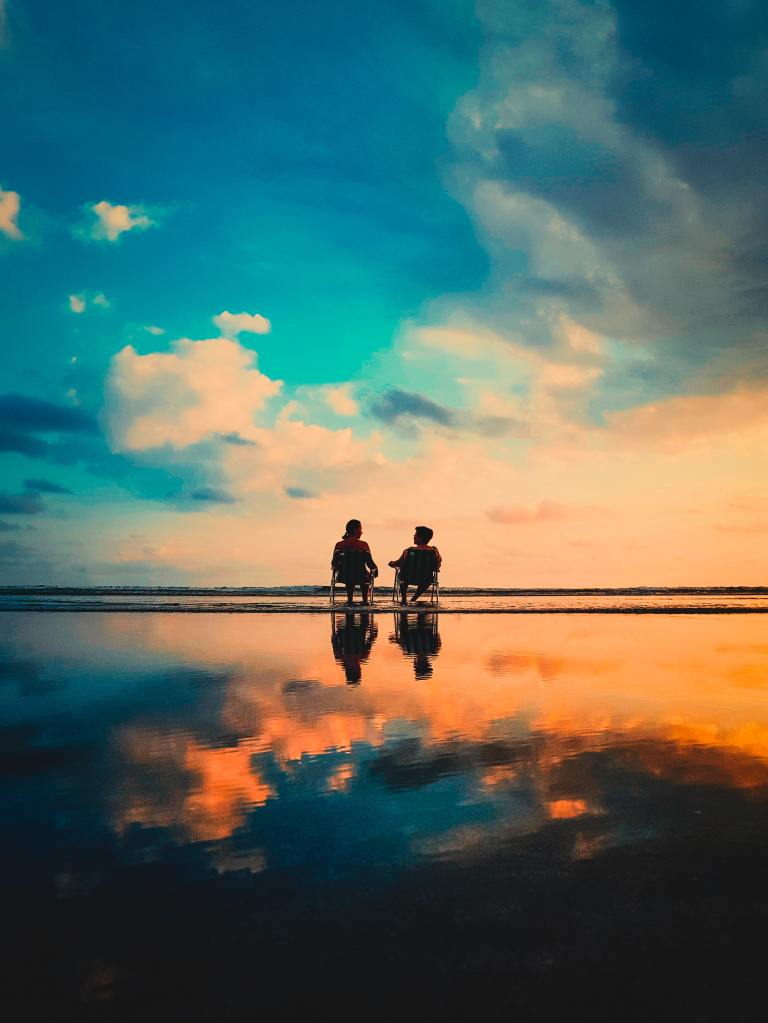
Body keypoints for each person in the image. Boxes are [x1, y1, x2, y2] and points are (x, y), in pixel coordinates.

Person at [388, 525, 442, 605]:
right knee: (428, 579)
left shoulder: (409, 551)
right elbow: (438, 564)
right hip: (426, 579)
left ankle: (404, 599)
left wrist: (392, 563)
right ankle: (414, 599)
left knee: (402, 575)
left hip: (408, 578)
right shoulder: (434, 551)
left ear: (420, 538)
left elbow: (399, 563)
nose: (414, 537)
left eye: (415, 535)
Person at [332, 518, 378, 605]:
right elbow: (370, 564)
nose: (361, 532)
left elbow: (333, 563)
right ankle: (365, 601)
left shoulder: (339, 545)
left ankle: (350, 600)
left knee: (350, 576)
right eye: (360, 529)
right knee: (365, 575)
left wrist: (340, 567)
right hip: (361, 576)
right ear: (355, 530)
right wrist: (375, 570)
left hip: (343, 576)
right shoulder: (363, 545)